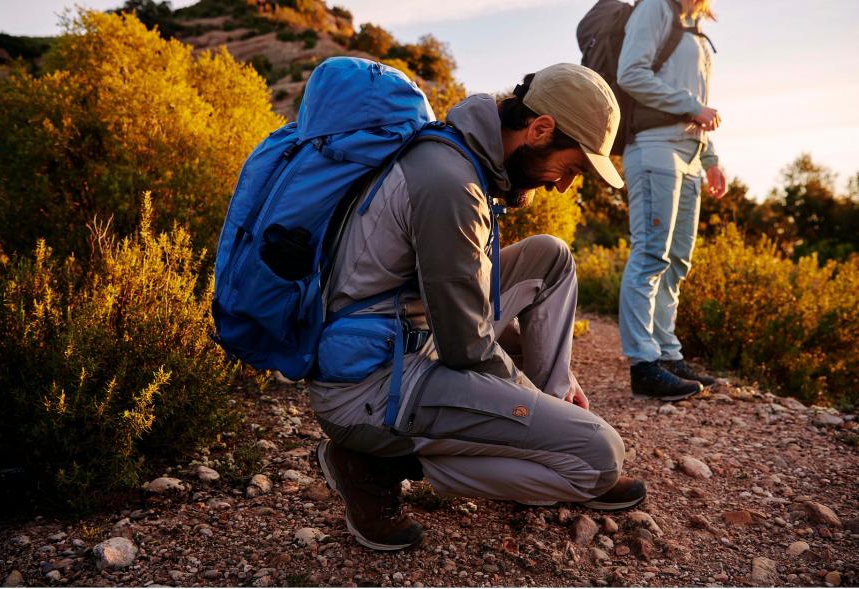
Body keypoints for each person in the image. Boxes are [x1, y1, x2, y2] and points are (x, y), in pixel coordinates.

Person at [311, 63, 646, 552]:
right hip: (373, 386)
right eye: (570, 168)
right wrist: (536, 404)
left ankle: (553, 420)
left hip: (406, 335)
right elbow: (467, 346)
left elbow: (463, 298)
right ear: (540, 130)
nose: (562, 186)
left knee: (550, 256)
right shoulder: (450, 183)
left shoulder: (462, 155)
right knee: (598, 458)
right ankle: (373, 465)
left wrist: (548, 393)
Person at [616, 0, 727, 401]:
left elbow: (694, 99)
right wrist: (692, 108)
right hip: (655, 146)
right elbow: (630, 72)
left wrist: (711, 157)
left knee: (677, 259)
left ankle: (667, 353)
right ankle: (643, 365)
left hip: (691, 154)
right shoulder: (654, 8)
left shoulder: (694, 22)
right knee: (650, 254)